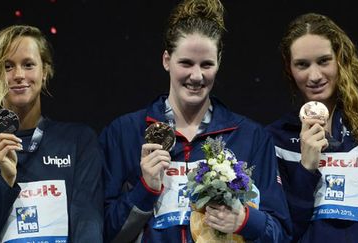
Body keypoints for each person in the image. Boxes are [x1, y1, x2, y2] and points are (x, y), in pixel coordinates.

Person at [99, 0, 292, 242]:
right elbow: (104, 234)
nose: (197, 76)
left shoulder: (250, 137)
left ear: (219, 63)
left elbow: (281, 234)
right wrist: (145, 189)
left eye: (207, 64)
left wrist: (244, 220)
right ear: (166, 60)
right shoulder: (123, 133)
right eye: (186, 63)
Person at [0, 25, 104, 243]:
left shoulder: (79, 140)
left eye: (28, 65)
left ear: (45, 71)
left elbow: (88, 225)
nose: (18, 75)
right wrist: (6, 182)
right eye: (7, 66)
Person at [266, 13, 358, 243]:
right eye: (302, 65)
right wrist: (306, 168)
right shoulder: (276, 139)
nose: (314, 76)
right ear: (289, 69)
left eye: (324, 61)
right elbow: (283, 230)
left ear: (340, 59)